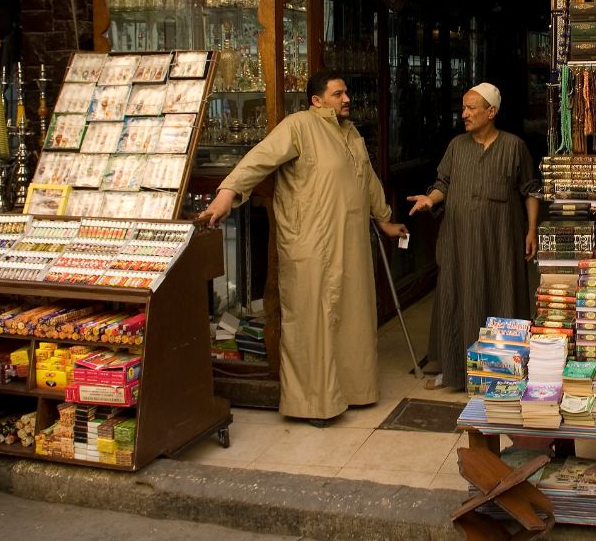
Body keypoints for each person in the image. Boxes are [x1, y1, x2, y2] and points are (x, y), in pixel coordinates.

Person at [199, 70, 408, 426]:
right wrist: (227, 193)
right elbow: (258, 159)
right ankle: (313, 404)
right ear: (316, 100)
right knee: (313, 322)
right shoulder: (298, 126)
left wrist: (385, 219)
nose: (346, 100)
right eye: (338, 94)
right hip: (311, 242)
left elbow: (367, 178)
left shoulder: (351, 132)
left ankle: (354, 391)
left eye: (346, 94)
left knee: (352, 318)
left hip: (350, 241)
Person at [407, 82, 540, 390]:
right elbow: (443, 183)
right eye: (463, 108)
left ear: (491, 112)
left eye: (470, 108)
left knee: (501, 294)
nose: (464, 114)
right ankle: (455, 371)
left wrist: (531, 230)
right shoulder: (456, 146)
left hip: (500, 242)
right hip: (460, 241)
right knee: (459, 297)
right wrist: (431, 199)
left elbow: (530, 190)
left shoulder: (513, 146)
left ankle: (503, 374)